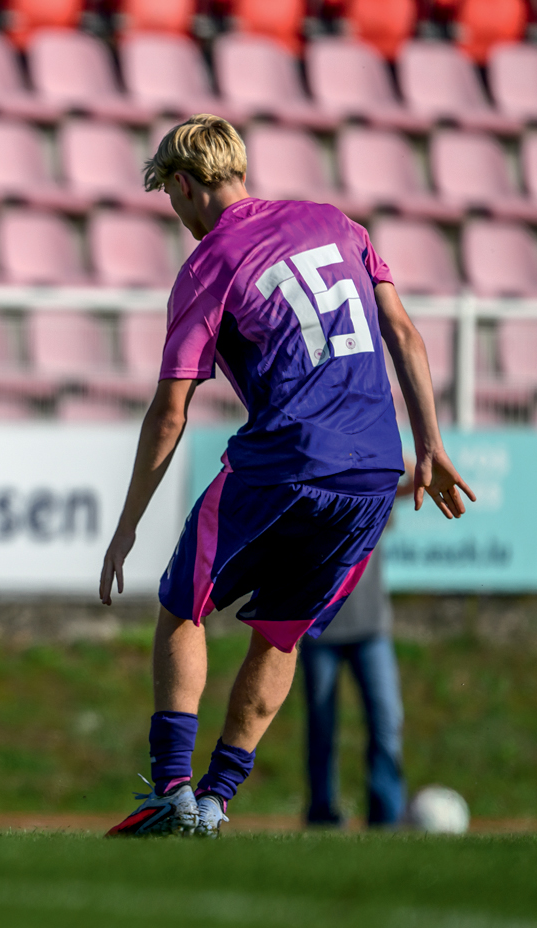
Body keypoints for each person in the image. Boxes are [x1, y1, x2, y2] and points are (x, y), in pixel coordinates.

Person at [96, 115, 473, 837]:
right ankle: (214, 803)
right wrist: (429, 443)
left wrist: (129, 522)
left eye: (170, 198)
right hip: (372, 468)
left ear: (183, 184)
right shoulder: (339, 224)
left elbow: (171, 410)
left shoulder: (210, 263)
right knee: (280, 633)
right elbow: (403, 332)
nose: (175, 214)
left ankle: (171, 790)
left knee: (184, 605)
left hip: (286, 457)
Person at [300, 535, 407, 828]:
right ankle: (322, 813)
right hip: (317, 625)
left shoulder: (374, 489)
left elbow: (400, 490)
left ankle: (387, 817)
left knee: (386, 719)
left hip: (372, 627)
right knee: (321, 726)